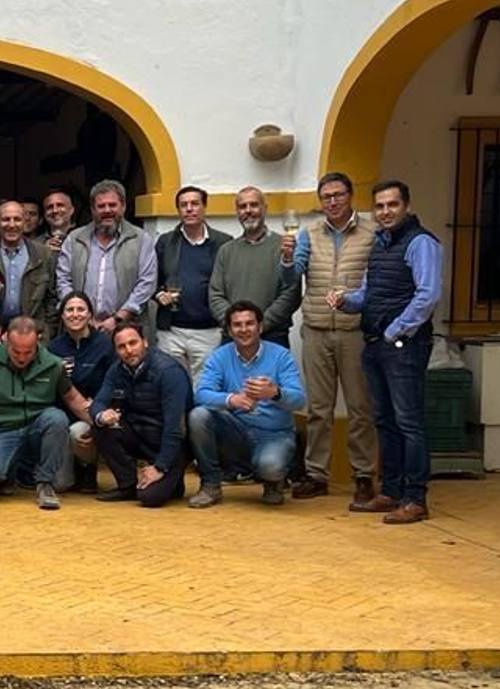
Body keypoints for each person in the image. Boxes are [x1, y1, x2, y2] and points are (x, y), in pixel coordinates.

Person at [331, 179, 442, 525]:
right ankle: (391, 492)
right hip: (376, 345)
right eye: (379, 206)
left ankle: (415, 497)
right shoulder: (379, 244)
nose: (385, 212)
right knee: (386, 422)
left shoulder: (421, 242)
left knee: (409, 423)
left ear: (405, 206)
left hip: (403, 345)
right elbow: (370, 293)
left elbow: (427, 296)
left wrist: (394, 330)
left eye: (392, 205)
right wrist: (346, 300)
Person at [280, 171, 378, 504]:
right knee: (319, 408)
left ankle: (363, 474)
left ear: (350, 196)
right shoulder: (309, 233)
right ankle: (316, 473)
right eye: (326, 197)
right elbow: (293, 277)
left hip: (355, 331)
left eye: (338, 195)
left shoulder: (371, 233)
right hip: (318, 328)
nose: (332, 202)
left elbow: (377, 278)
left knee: (360, 407)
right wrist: (288, 258)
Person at [0, 315, 92, 510]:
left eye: (29, 352)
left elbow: (73, 399)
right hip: (2, 428)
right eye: (16, 352)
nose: (22, 358)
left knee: (56, 417)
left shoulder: (53, 364)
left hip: (37, 428)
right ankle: (8, 471)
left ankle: (45, 484)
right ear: (7, 339)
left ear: (38, 342)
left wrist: (98, 421)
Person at [188, 300, 307, 508]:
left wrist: (275, 393)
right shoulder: (219, 357)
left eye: (249, 323)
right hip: (237, 432)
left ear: (260, 327)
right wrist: (231, 400)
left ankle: (273, 481)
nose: (244, 329)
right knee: (198, 415)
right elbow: (201, 394)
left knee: (270, 466)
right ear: (230, 330)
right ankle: (211, 485)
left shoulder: (281, 357)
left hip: (274, 434)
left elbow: (299, 400)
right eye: (237, 325)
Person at [89, 320, 193, 508]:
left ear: (145, 342)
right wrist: (101, 415)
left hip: (171, 443)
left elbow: (175, 427)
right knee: (99, 427)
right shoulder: (117, 369)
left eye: (133, 343)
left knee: (149, 497)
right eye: (121, 347)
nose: (128, 350)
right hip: (139, 435)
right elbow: (98, 403)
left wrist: (160, 467)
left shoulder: (169, 371)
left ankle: (170, 479)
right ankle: (127, 485)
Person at [55, 178, 156, 334]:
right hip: (81, 329)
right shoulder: (74, 239)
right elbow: (63, 279)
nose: (107, 210)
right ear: (93, 210)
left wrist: (118, 318)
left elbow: (147, 283)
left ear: (123, 207)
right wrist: (81, 315)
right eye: (101, 206)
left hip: (126, 329)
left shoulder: (141, 239)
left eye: (112, 205)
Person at [154, 185, 232, 379]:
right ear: (178, 210)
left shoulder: (223, 242)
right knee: (171, 384)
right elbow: (152, 279)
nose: (189, 209)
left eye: (194, 204)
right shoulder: (165, 242)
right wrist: (158, 295)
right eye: (183, 205)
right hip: (171, 331)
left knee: (204, 386)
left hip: (209, 330)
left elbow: (230, 284)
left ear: (204, 207)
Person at [209, 185, 301, 349]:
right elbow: (215, 294)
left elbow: (291, 293)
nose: (248, 210)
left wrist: (260, 325)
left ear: (265, 209)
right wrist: (236, 325)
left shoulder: (284, 247)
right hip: (232, 340)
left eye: (254, 205)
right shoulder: (226, 251)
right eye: (242, 206)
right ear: (237, 212)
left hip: (273, 337)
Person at [46, 292, 115, 492]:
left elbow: (114, 381)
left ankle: (87, 466)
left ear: (90, 315)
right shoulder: (53, 348)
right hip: (61, 415)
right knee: (60, 485)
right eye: (69, 310)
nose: (75, 314)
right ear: (62, 316)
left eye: (80, 309)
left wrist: (99, 405)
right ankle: (68, 467)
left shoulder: (105, 345)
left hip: (92, 414)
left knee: (78, 432)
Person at [0, 200, 53, 336]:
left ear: (24, 223)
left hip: (33, 333)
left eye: (17, 219)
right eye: (6, 219)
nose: (11, 225)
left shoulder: (43, 254)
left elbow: (52, 298)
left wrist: (46, 331)